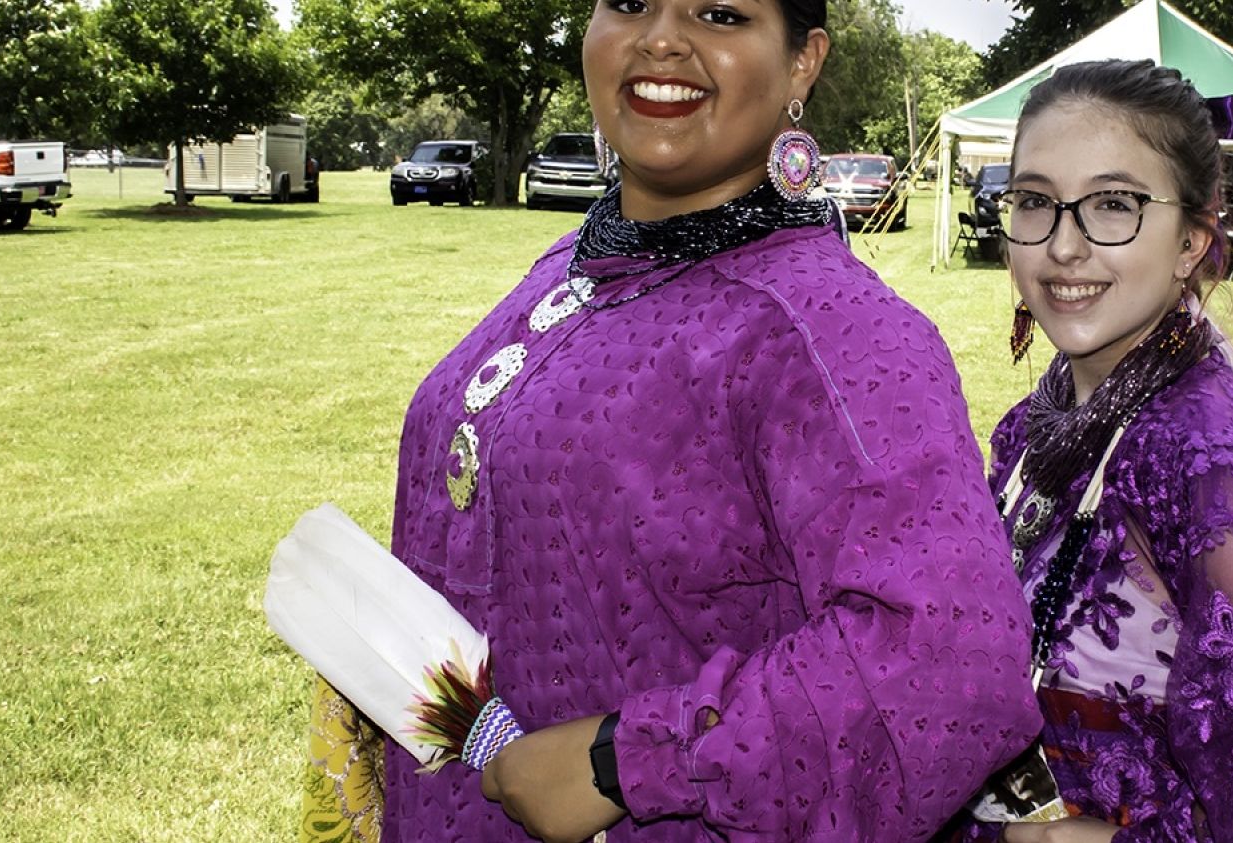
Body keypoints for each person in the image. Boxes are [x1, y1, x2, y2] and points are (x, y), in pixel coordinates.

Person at [361, 1, 1043, 841]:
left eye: (719, 13)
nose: (660, 39)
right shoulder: (575, 265)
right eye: (631, 2)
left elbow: (951, 665)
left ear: (801, 63)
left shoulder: (834, 328)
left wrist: (630, 760)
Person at [968, 60, 1233, 843]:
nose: (1063, 246)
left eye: (1113, 206)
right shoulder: (1049, 414)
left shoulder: (1191, 447)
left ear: (1191, 242)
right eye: (1034, 202)